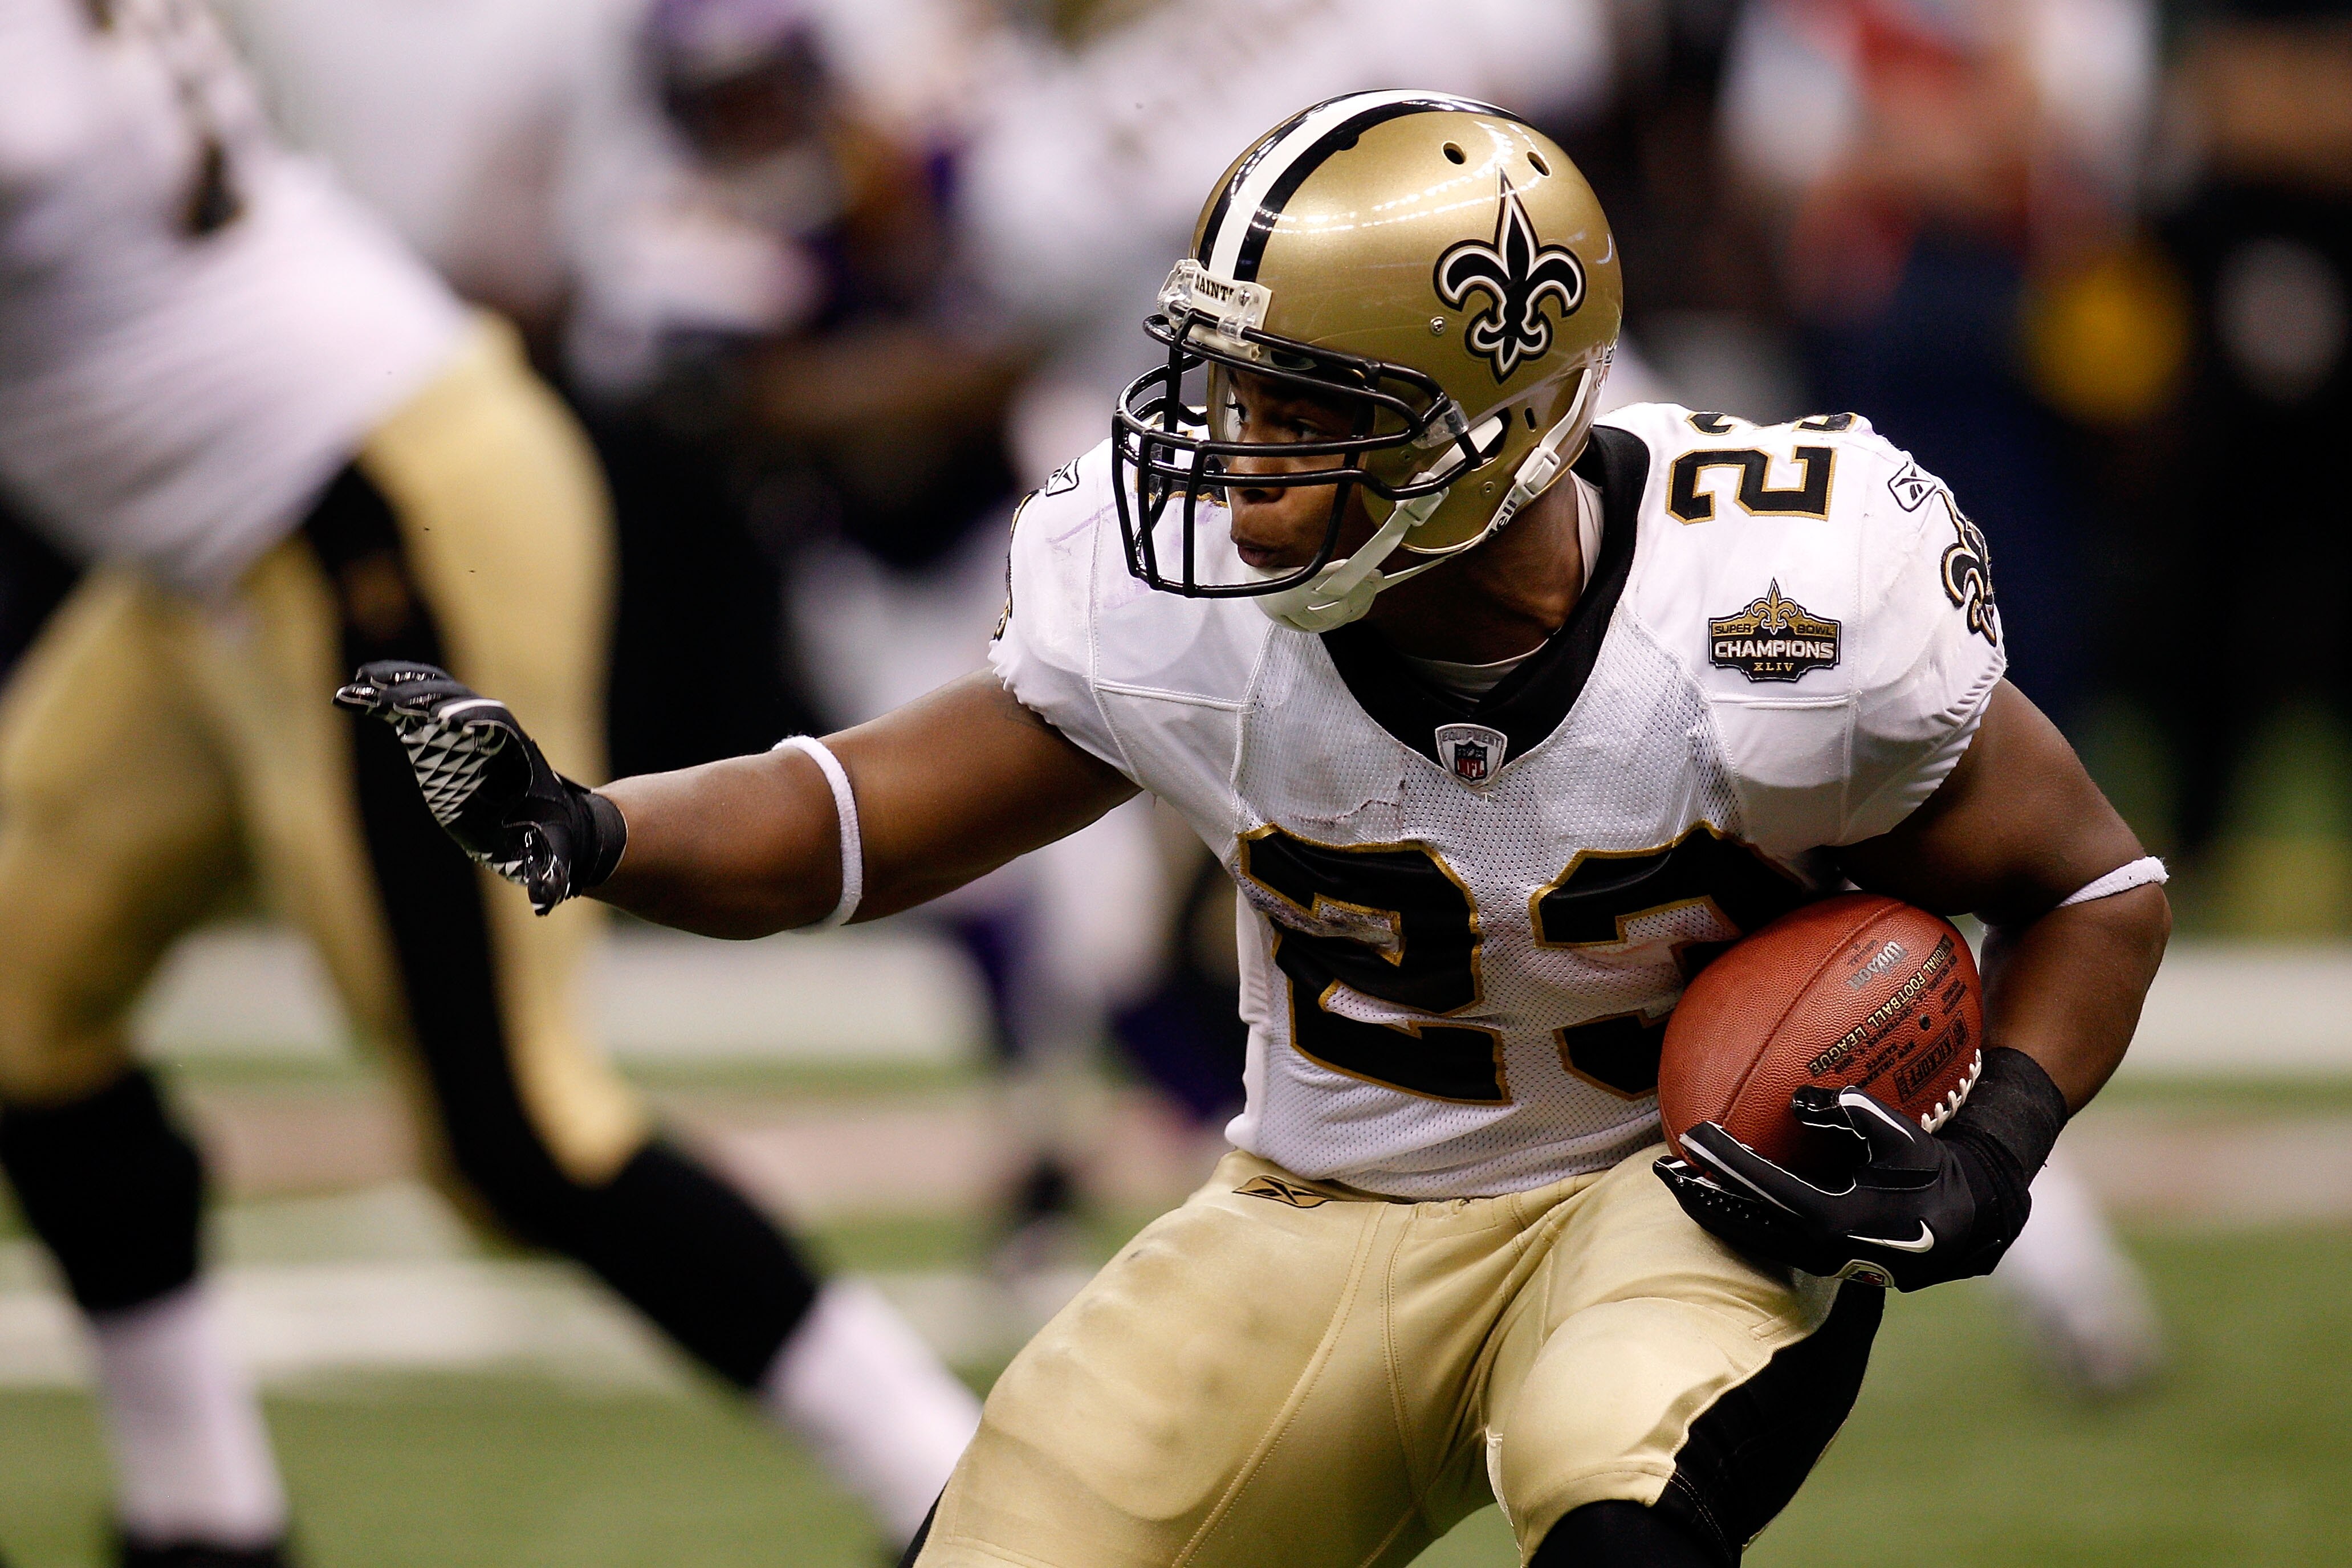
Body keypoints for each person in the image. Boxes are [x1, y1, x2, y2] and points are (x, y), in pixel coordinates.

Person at [341, 93, 2171, 1568]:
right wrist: (590, 826)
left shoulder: (1779, 604)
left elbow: (2092, 882)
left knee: (1616, 1499)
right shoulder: (1180, 607)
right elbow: (861, 812)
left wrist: (2001, 1138)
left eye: (1308, 413)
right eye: (1228, 391)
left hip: (1674, 1199)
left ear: (1503, 428)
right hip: (1316, 1206)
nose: (1236, 463)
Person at [0, 1, 975, 1560]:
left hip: (371, 509)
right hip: (220, 545)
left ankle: (968, 1501)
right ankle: (204, 1520)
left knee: (508, 1127)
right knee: (20, 1000)